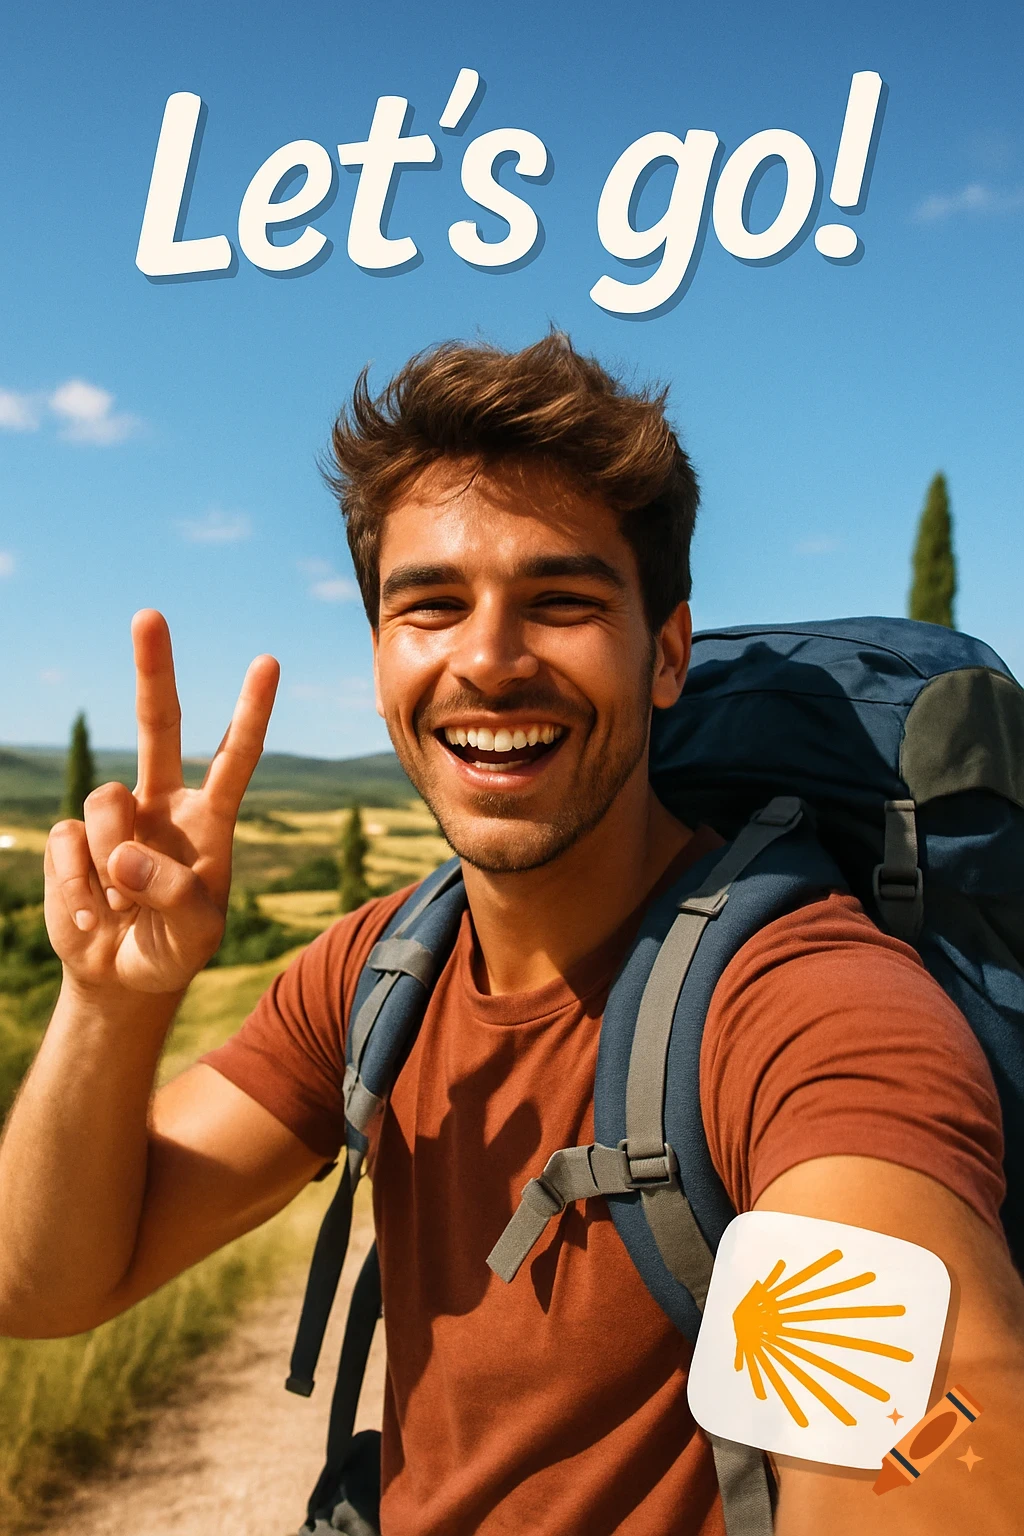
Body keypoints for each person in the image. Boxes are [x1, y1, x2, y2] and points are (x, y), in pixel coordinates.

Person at [0, 334, 1021, 1535]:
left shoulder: (807, 1004)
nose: (486, 660)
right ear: (380, 654)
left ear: (668, 656)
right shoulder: (376, 967)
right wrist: (111, 1004)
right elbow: (45, 1286)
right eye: (430, 605)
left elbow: (937, 1464)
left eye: (563, 602)